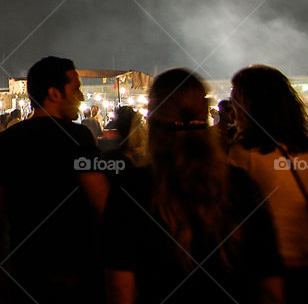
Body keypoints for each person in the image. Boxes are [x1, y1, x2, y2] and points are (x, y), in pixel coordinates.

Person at [104, 69, 283, 304]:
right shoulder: (241, 185)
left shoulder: (131, 190)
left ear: (153, 121)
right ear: (207, 116)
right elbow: (271, 289)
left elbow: (121, 291)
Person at [0, 57, 110, 303]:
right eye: (75, 88)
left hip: (25, 271)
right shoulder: (78, 137)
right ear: (54, 93)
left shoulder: (4, 142)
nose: (82, 96)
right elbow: (103, 204)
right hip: (75, 271)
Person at [229, 65, 308, 303]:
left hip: (272, 277)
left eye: (237, 100)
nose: (233, 108)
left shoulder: (243, 156)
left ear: (250, 106)